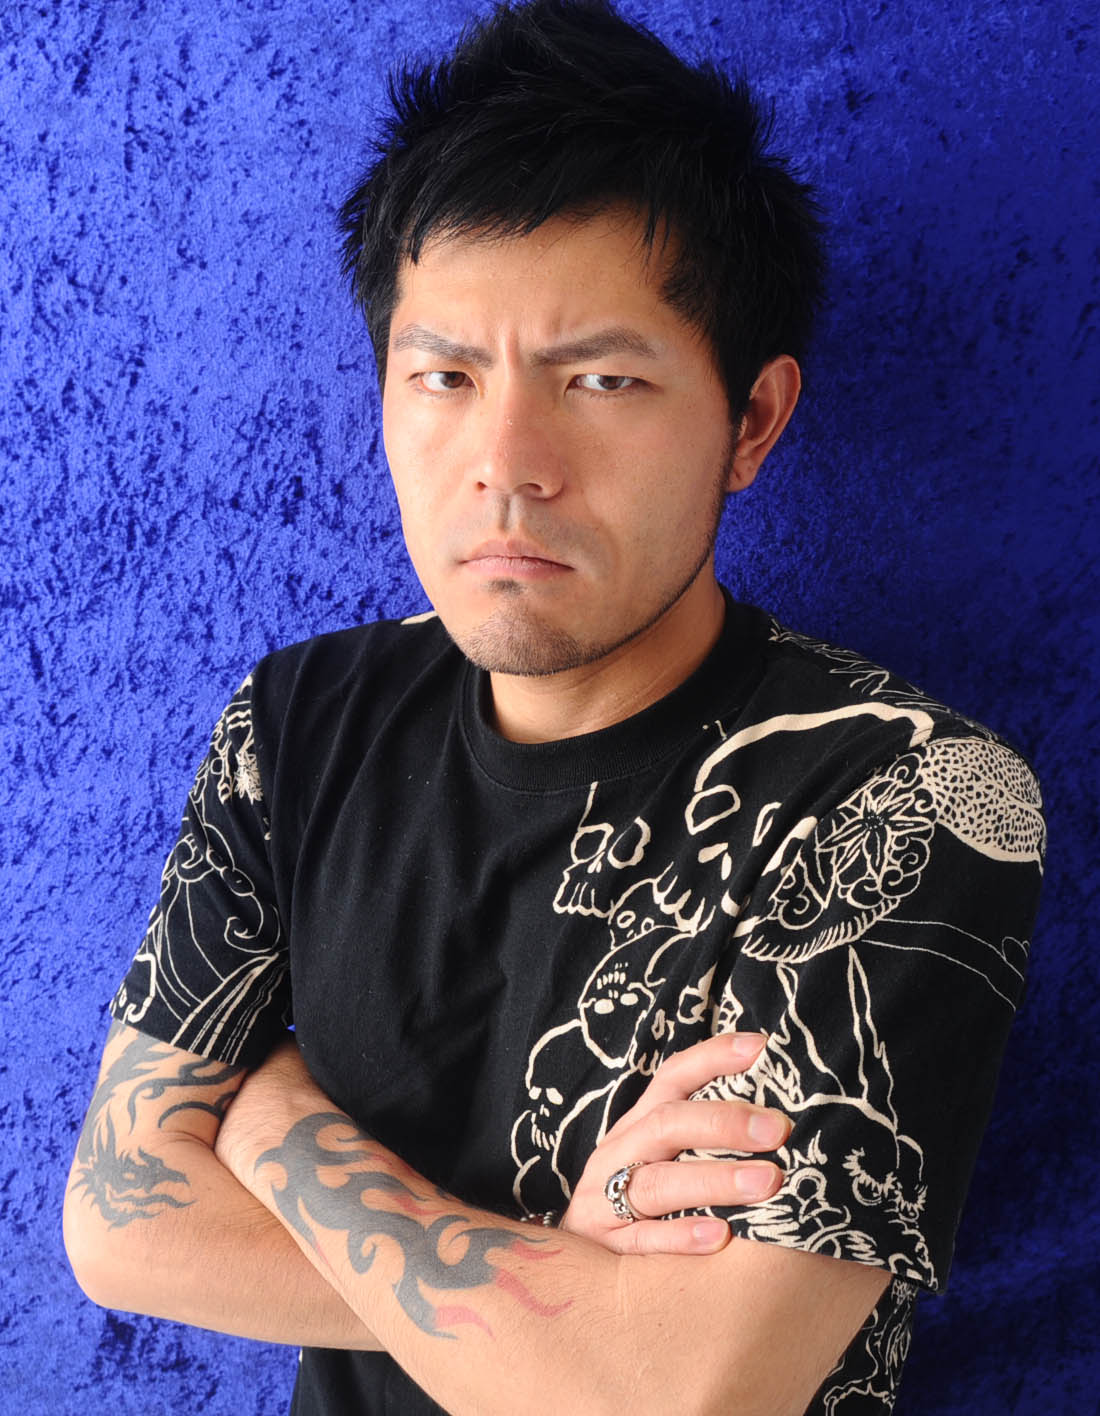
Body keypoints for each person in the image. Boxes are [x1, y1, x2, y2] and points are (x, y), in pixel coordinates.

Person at [62, 1, 1045, 1411]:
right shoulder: (299, 719)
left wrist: (269, 1113)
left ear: (752, 422)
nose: (507, 462)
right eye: (444, 377)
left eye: (600, 379)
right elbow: (118, 1229)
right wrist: (563, 1296)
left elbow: (683, 1393)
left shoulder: (905, 793)